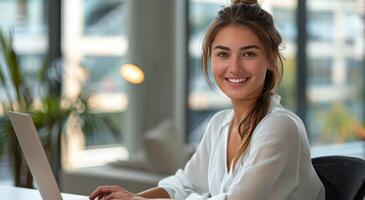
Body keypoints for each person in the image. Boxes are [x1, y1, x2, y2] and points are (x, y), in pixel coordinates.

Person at [89, 0, 325, 199]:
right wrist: (135, 197)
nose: (234, 67)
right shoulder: (220, 124)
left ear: (271, 60)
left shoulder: (280, 127)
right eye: (223, 54)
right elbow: (184, 184)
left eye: (249, 54)